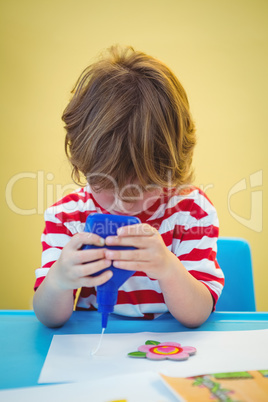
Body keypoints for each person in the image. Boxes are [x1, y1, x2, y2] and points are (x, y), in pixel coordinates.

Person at [33, 45, 224, 329]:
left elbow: (197, 314)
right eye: (106, 182)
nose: (123, 202)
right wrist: (60, 278)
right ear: (83, 164)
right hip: (93, 348)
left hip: (167, 347)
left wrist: (167, 268)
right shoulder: (68, 217)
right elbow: (48, 318)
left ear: (171, 171)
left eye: (145, 186)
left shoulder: (191, 211)